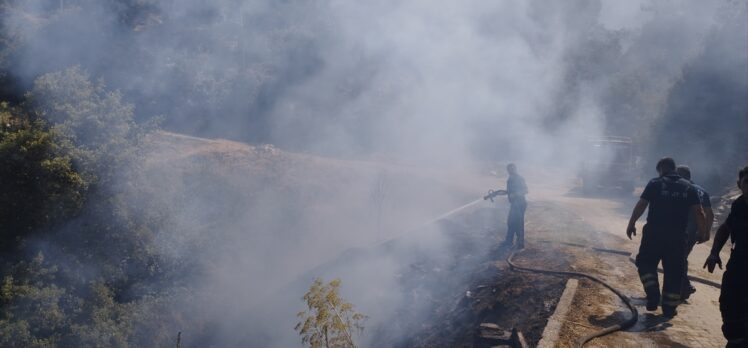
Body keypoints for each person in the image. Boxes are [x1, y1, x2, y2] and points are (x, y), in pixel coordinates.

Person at [626, 157, 707, 318]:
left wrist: (632, 223)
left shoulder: (655, 183)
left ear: (661, 169)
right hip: (677, 237)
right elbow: (699, 212)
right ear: (674, 169)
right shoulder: (688, 187)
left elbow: (642, 204)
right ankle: (669, 309)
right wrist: (703, 232)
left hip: (653, 235)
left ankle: (653, 294)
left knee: (645, 263)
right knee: (674, 271)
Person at [704, 166, 748, 347]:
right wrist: (714, 253)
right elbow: (725, 228)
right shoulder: (739, 205)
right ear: (739, 184)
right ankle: (736, 339)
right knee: (728, 302)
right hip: (739, 262)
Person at [675, 165, 714, 300]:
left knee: (677, 259)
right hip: (694, 232)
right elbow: (709, 214)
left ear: (681, 176)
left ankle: (685, 287)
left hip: (681, 230)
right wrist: (706, 232)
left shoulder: (682, 188)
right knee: (681, 257)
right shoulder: (702, 191)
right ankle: (683, 288)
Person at [501, 163, 528, 249]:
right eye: (509, 170)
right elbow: (509, 191)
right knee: (511, 222)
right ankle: (509, 241)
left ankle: (520, 244)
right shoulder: (510, 179)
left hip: (520, 204)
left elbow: (526, 190)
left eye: (512, 169)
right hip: (514, 204)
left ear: (515, 169)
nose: (510, 171)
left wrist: (515, 194)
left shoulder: (519, 178)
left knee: (518, 223)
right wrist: (501, 193)